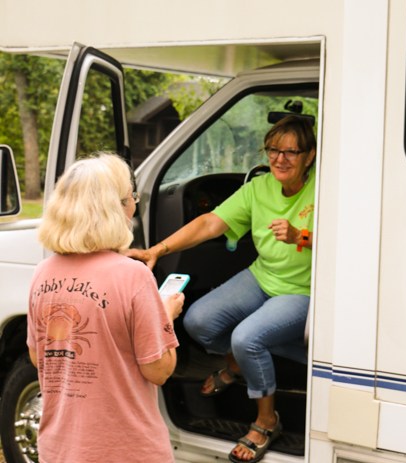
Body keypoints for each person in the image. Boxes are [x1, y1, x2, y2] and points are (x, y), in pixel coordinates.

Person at [127, 115, 316, 463]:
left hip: (303, 290)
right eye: (273, 150)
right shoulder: (259, 187)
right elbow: (210, 223)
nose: (280, 159)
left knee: (247, 338)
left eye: (291, 152)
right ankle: (241, 362)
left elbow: (348, 241)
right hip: (263, 277)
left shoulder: (324, 186)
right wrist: (158, 250)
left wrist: (300, 236)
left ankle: (266, 420)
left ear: (310, 155)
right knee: (198, 321)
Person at [27, 153, 184, 463]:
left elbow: (38, 357)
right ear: (116, 208)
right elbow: (159, 370)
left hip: (59, 450)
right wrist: (165, 316)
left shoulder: (42, 273)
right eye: (132, 198)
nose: (134, 206)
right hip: (126, 452)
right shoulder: (133, 275)